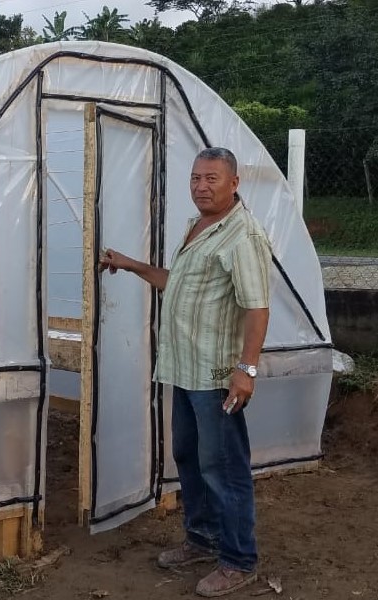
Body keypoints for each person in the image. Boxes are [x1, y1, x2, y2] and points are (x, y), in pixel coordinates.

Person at [99, 147, 271, 597]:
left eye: (212, 178)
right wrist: (131, 265)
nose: (201, 186)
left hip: (217, 376)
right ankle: (202, 539)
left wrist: (246, 369)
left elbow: (257, 307)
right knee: (190, 460)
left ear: (234, 183)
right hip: (186, 369)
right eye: (195, 178)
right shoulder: (197, 227)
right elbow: (177, 282)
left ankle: (238, 560)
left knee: (224, 468)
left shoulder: (243, 235)